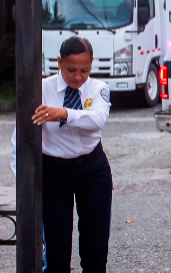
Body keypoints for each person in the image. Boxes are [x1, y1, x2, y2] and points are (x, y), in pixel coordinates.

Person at [17, 36, 114, 272]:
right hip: (54, 173)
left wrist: (63, 113)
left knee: (95, 249)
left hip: (93, 170)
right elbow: (22, 138)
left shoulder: (98, 88)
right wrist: (23, 179)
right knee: (57, 251)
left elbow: (97, 120)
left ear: (91, 64)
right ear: (59, 62)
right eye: (71, 70)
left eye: (85, 70)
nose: (78, 77)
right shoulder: (42, 90)